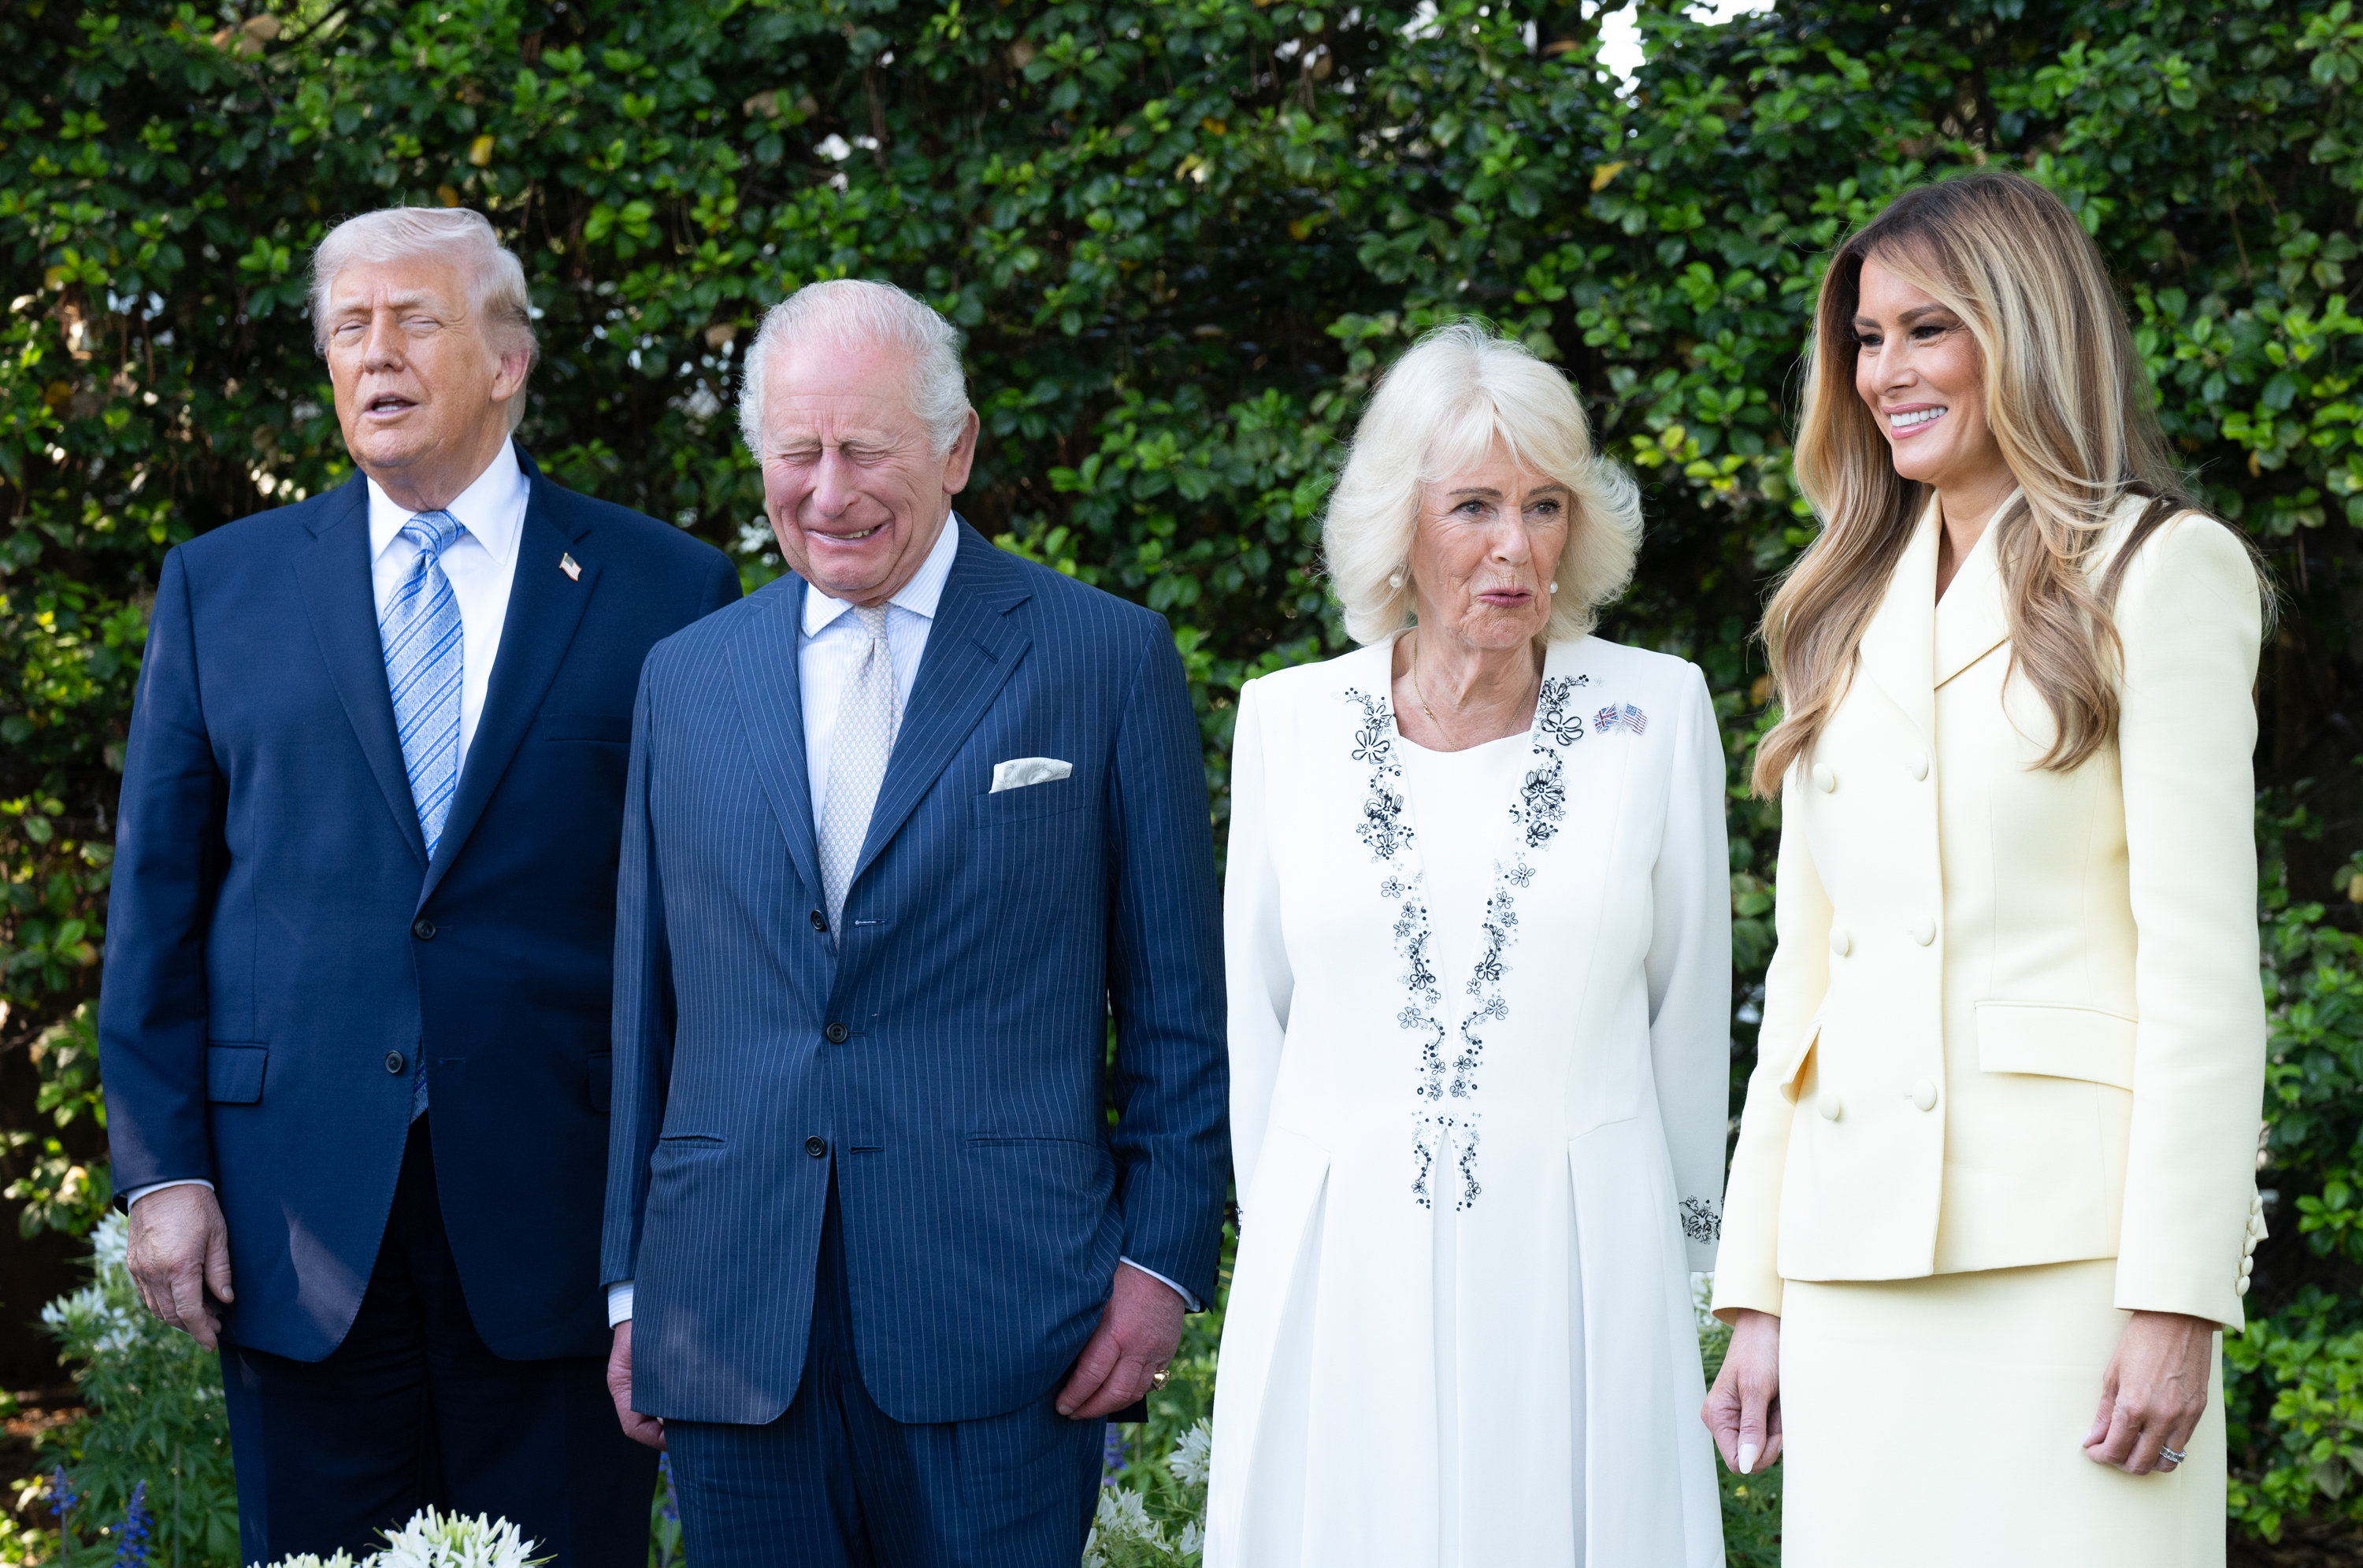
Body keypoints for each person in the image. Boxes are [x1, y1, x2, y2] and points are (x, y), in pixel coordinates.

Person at [95, 207, 740, 1563]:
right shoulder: (223, 590)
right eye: (348, 328)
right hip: (296, 1220)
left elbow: (711, 929)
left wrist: (682, 1215)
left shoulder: (668, 593)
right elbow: (158, 904)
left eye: (415, 320)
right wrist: (163, 1175)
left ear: (508, 361)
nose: (374, 353)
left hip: (564, 1225)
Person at [598, 277, 1228, 1567]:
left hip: (1007, 1319)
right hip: (730, 1323)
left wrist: (1161, 1264)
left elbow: (1176, 1006)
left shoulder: (1104, 659)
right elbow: (645, 1011)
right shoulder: (687, 678)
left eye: (865, 450)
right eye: (796, 453)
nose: (828, 491)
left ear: (957, 447)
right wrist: (631, 1290)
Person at [1703, 170, 2269, 1564]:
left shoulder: (2162, 571)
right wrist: (1757, 1290)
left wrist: (2179, 1295)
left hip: (2076, 1266)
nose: (1883, 371)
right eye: (1865, 338)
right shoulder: (1833, 610)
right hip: (1850, 1265)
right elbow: (1808, 984)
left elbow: (2203, 970)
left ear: (2023, 331)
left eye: (1925, 330)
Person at [1205, 322, 1731, 1567]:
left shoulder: (1656, 711)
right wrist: (1281, 1248)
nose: (1515, 546)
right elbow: (1258, 1024)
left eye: (1546, 506)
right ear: (1401, 524)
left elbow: (1689, 1014)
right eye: (1475, 506)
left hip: (1585, 1264)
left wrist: (1691, 1273)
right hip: (1341, 1267)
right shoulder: (1286, 722)